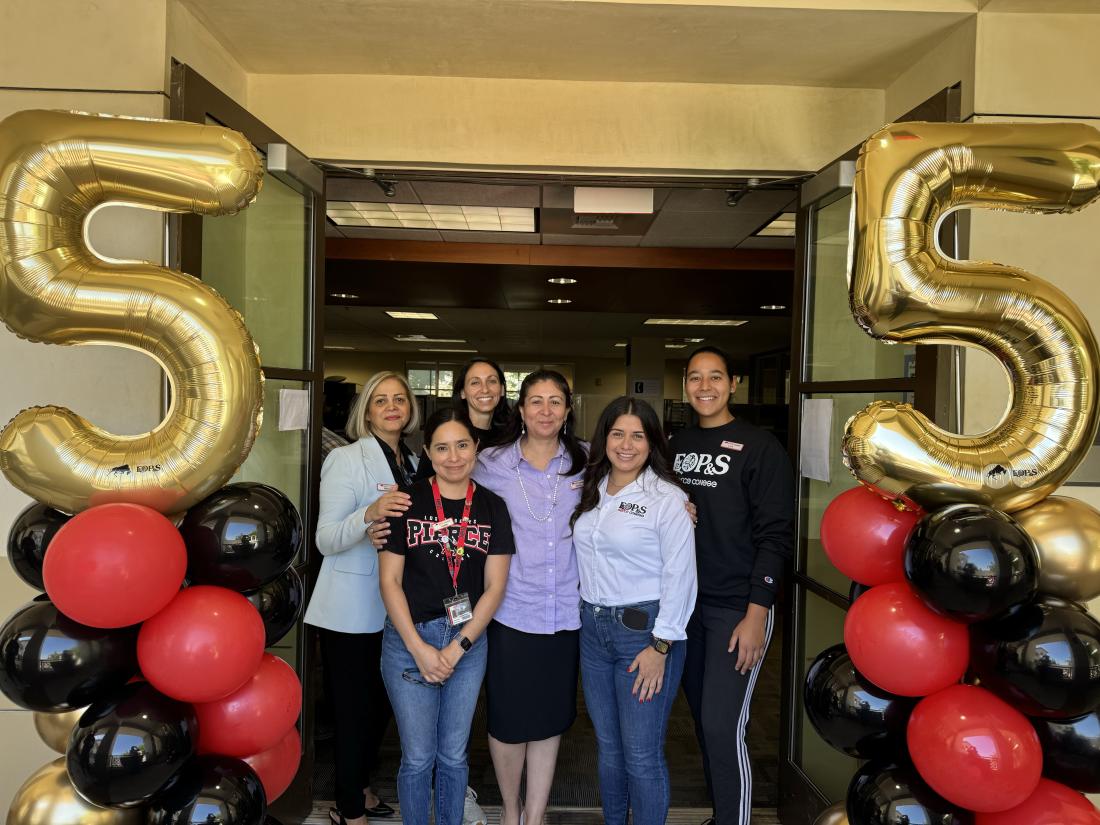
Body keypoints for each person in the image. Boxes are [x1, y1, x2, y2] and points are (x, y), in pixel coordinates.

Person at [672, 346, 794, 825]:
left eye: (715, 377)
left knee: (724, 726)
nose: (705, 386)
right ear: (685, 384)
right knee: (704, 723)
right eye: (696, 377)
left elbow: (775, 536)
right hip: (685, 609)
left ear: (733, 384)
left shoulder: (760, 448)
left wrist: (757, 613)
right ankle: (724, 815)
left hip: (735, 610)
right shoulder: (675, 445)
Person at [378, 408, 514, 825]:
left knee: (453, 756)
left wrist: (457, 649)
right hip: (408, 641)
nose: (453, 456)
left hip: (467, 642)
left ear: (476, 448)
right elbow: (390, 582)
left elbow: (495, 588)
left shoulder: (492, 507)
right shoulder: (405, 501)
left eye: (462, 445)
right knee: (418, 757)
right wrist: (418, 648)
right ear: (427, 452)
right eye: (441, 447)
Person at [571, 396, 697, 825]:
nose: (626, 444)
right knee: (608, 747)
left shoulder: (668, 499)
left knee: (641, 753)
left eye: (638, 435)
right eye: (617, 433)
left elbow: (681, 576)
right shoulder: (592, 488)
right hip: (593, 630)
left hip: (643, 635)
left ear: (652, 443)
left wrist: (660, 646)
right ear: (604, 437)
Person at [304, 370, 420, 825]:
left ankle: (363, 786)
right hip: (350, 609)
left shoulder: (412, 460)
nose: (392, 407)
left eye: (399, 399)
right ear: (366, 411)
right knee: (353, 713)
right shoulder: (347, 460)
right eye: (380, 401)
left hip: (397, 606)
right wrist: (367, 514)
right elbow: (326, 539)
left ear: (409, 408)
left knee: (382, 706)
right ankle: (348, 808)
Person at [473, 370, 587, 825]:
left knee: (550, 718)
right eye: (535, 401)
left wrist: (682, 502)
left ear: (567, 411)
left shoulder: (588, 463)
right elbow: (446, 487)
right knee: (507, 719)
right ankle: (510, 809)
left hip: (566, 614)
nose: (545, 410)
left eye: (555, 401)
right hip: (510, 611)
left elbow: (637, 490)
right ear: (520, 410)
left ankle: (535, 815)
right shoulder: (490, 463)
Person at [413, 359, 511, 482]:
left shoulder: (509, 437)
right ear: (463, 393)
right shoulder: (444, 431)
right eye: (475, 383)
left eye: (492, 381)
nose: (485, 389)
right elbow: (422, 487)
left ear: (501, 390)